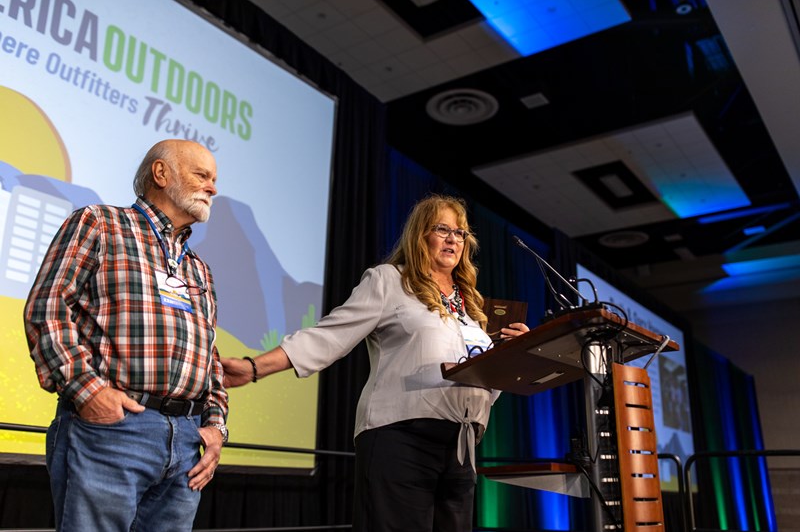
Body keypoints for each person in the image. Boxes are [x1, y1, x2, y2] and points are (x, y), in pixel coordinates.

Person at [221, 194, 529, 532]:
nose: (453, 239)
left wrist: (510, 357)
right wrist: (255, 367)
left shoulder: (473, 307)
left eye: (461, 233)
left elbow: (485, 385)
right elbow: (329, 336)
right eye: (443, 229)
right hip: (401, 439)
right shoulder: (389, 281)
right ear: (420, 234)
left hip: (461, 447)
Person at [24, 139, 228, 532]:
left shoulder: (199, 269)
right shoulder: (99, 224)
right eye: (202, 175)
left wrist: (216, 427)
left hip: (187, 444)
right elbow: (46, 310)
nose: (213, 188)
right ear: (161, 173)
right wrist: (88, 392)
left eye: (214, 179)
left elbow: (211, 358)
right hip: (112, 432)